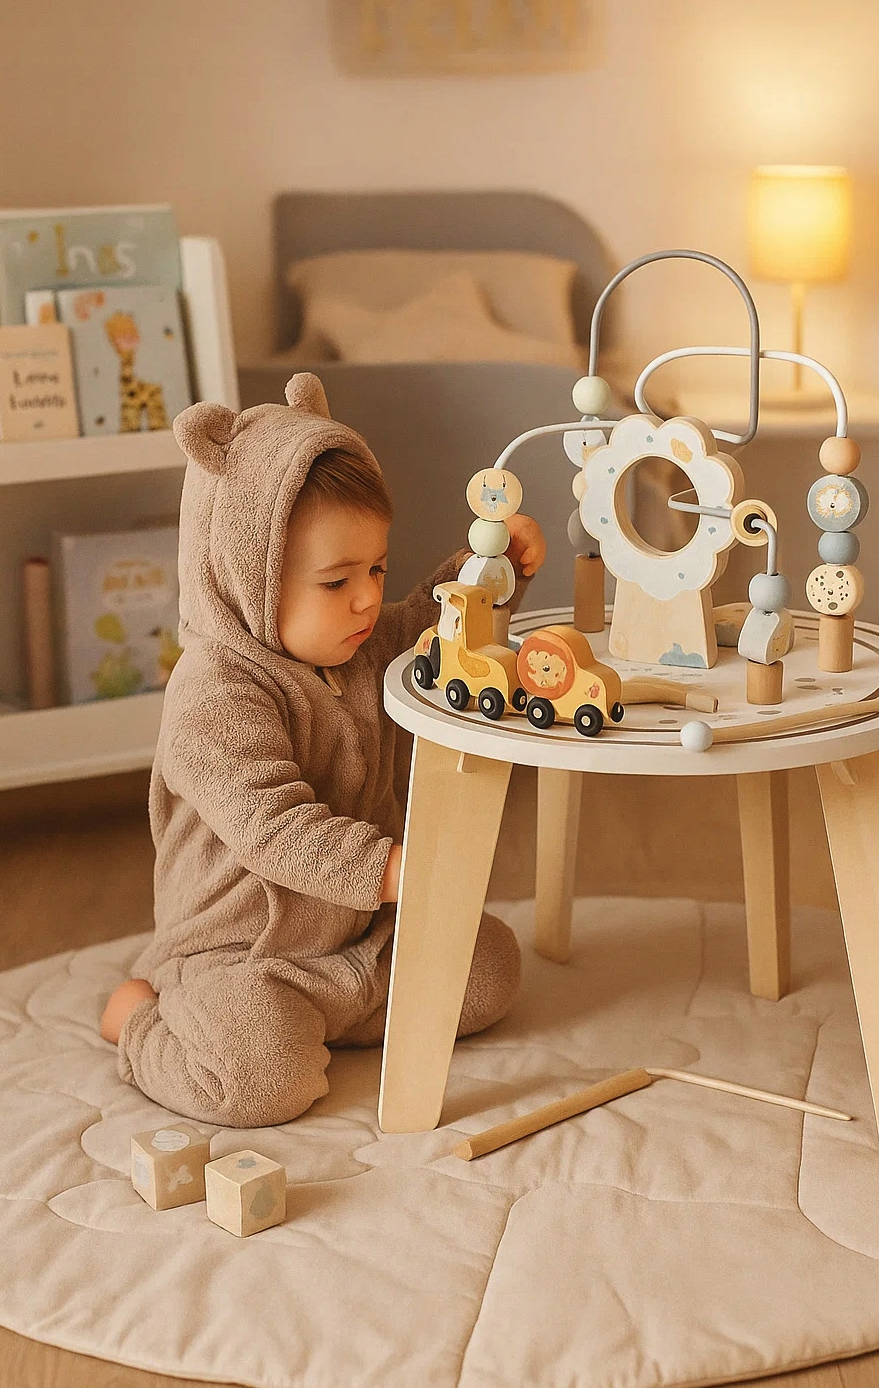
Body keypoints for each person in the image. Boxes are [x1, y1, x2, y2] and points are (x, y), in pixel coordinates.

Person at [100, 373, 545, 1127]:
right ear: (246, 578)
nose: (368, 597)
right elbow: (272, 827)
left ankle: (328, 1016)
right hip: (245, 955)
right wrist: (390, 870)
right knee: (258, 1082)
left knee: (489, 968)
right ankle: (141, 1021)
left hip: (359, 938)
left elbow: (433, 632)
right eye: (336, 582)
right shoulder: (213, 691)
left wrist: (489, 577)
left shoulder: (360, 641)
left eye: (375, 568)